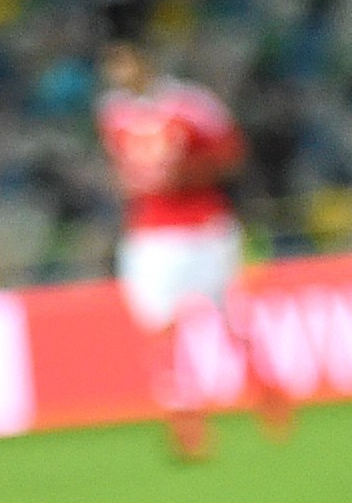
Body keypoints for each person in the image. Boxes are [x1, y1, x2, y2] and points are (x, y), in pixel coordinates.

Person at [99, 36, 296, 462]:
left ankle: (265, 395)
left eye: (125, 64)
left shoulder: (191, 105)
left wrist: (189, 174)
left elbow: (231, 155)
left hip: (205, 227)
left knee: (231, 320)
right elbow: (123, 169)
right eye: (113, 68)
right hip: (152, 235)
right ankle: (187, 423)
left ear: (145, 61)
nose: (120, 75)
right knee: (160, 333)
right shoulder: (113, 113)